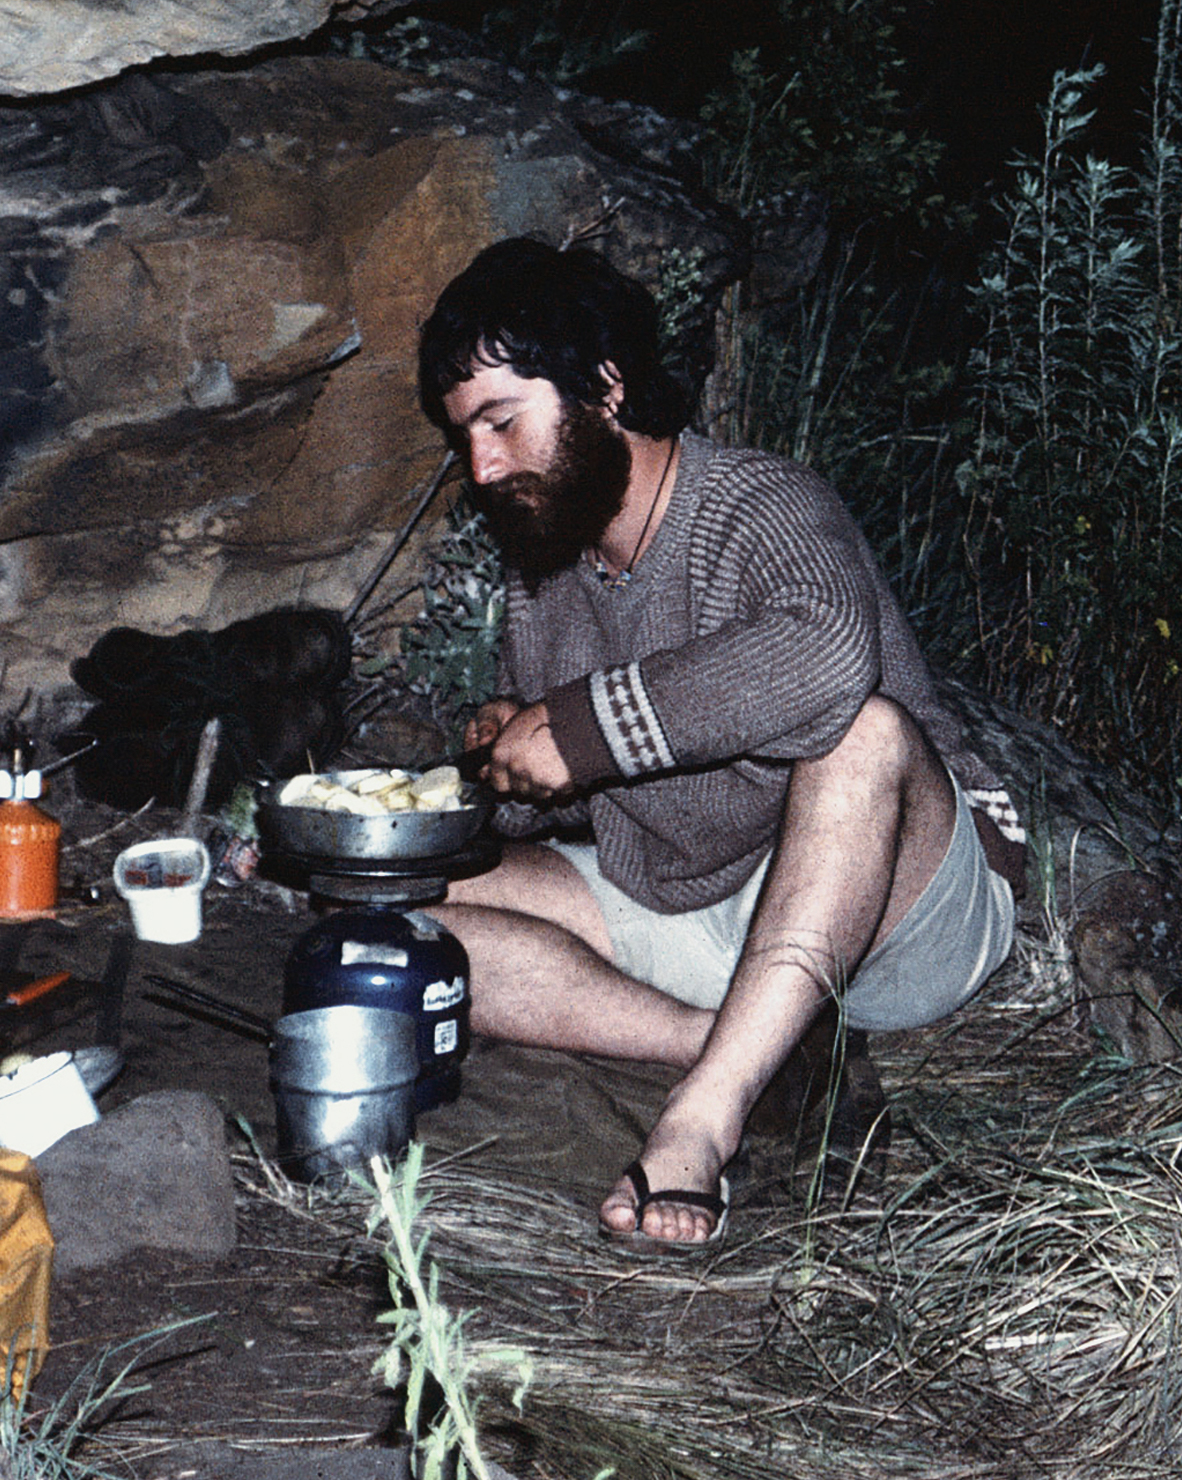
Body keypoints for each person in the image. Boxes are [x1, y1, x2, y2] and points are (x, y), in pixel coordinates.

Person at [418, 238, 1026, 1245]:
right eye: (464, 437)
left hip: (906, 909)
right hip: (704, 908)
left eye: (501, 420)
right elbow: (574, 787)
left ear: (604, 387)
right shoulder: (547, 565)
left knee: (861, 735)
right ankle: (735, 1043)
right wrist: (510, 758)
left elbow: (826, 654)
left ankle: (703, 1117)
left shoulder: (762, 503)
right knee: (389, 914)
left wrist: (578, 728)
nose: (482, 468)